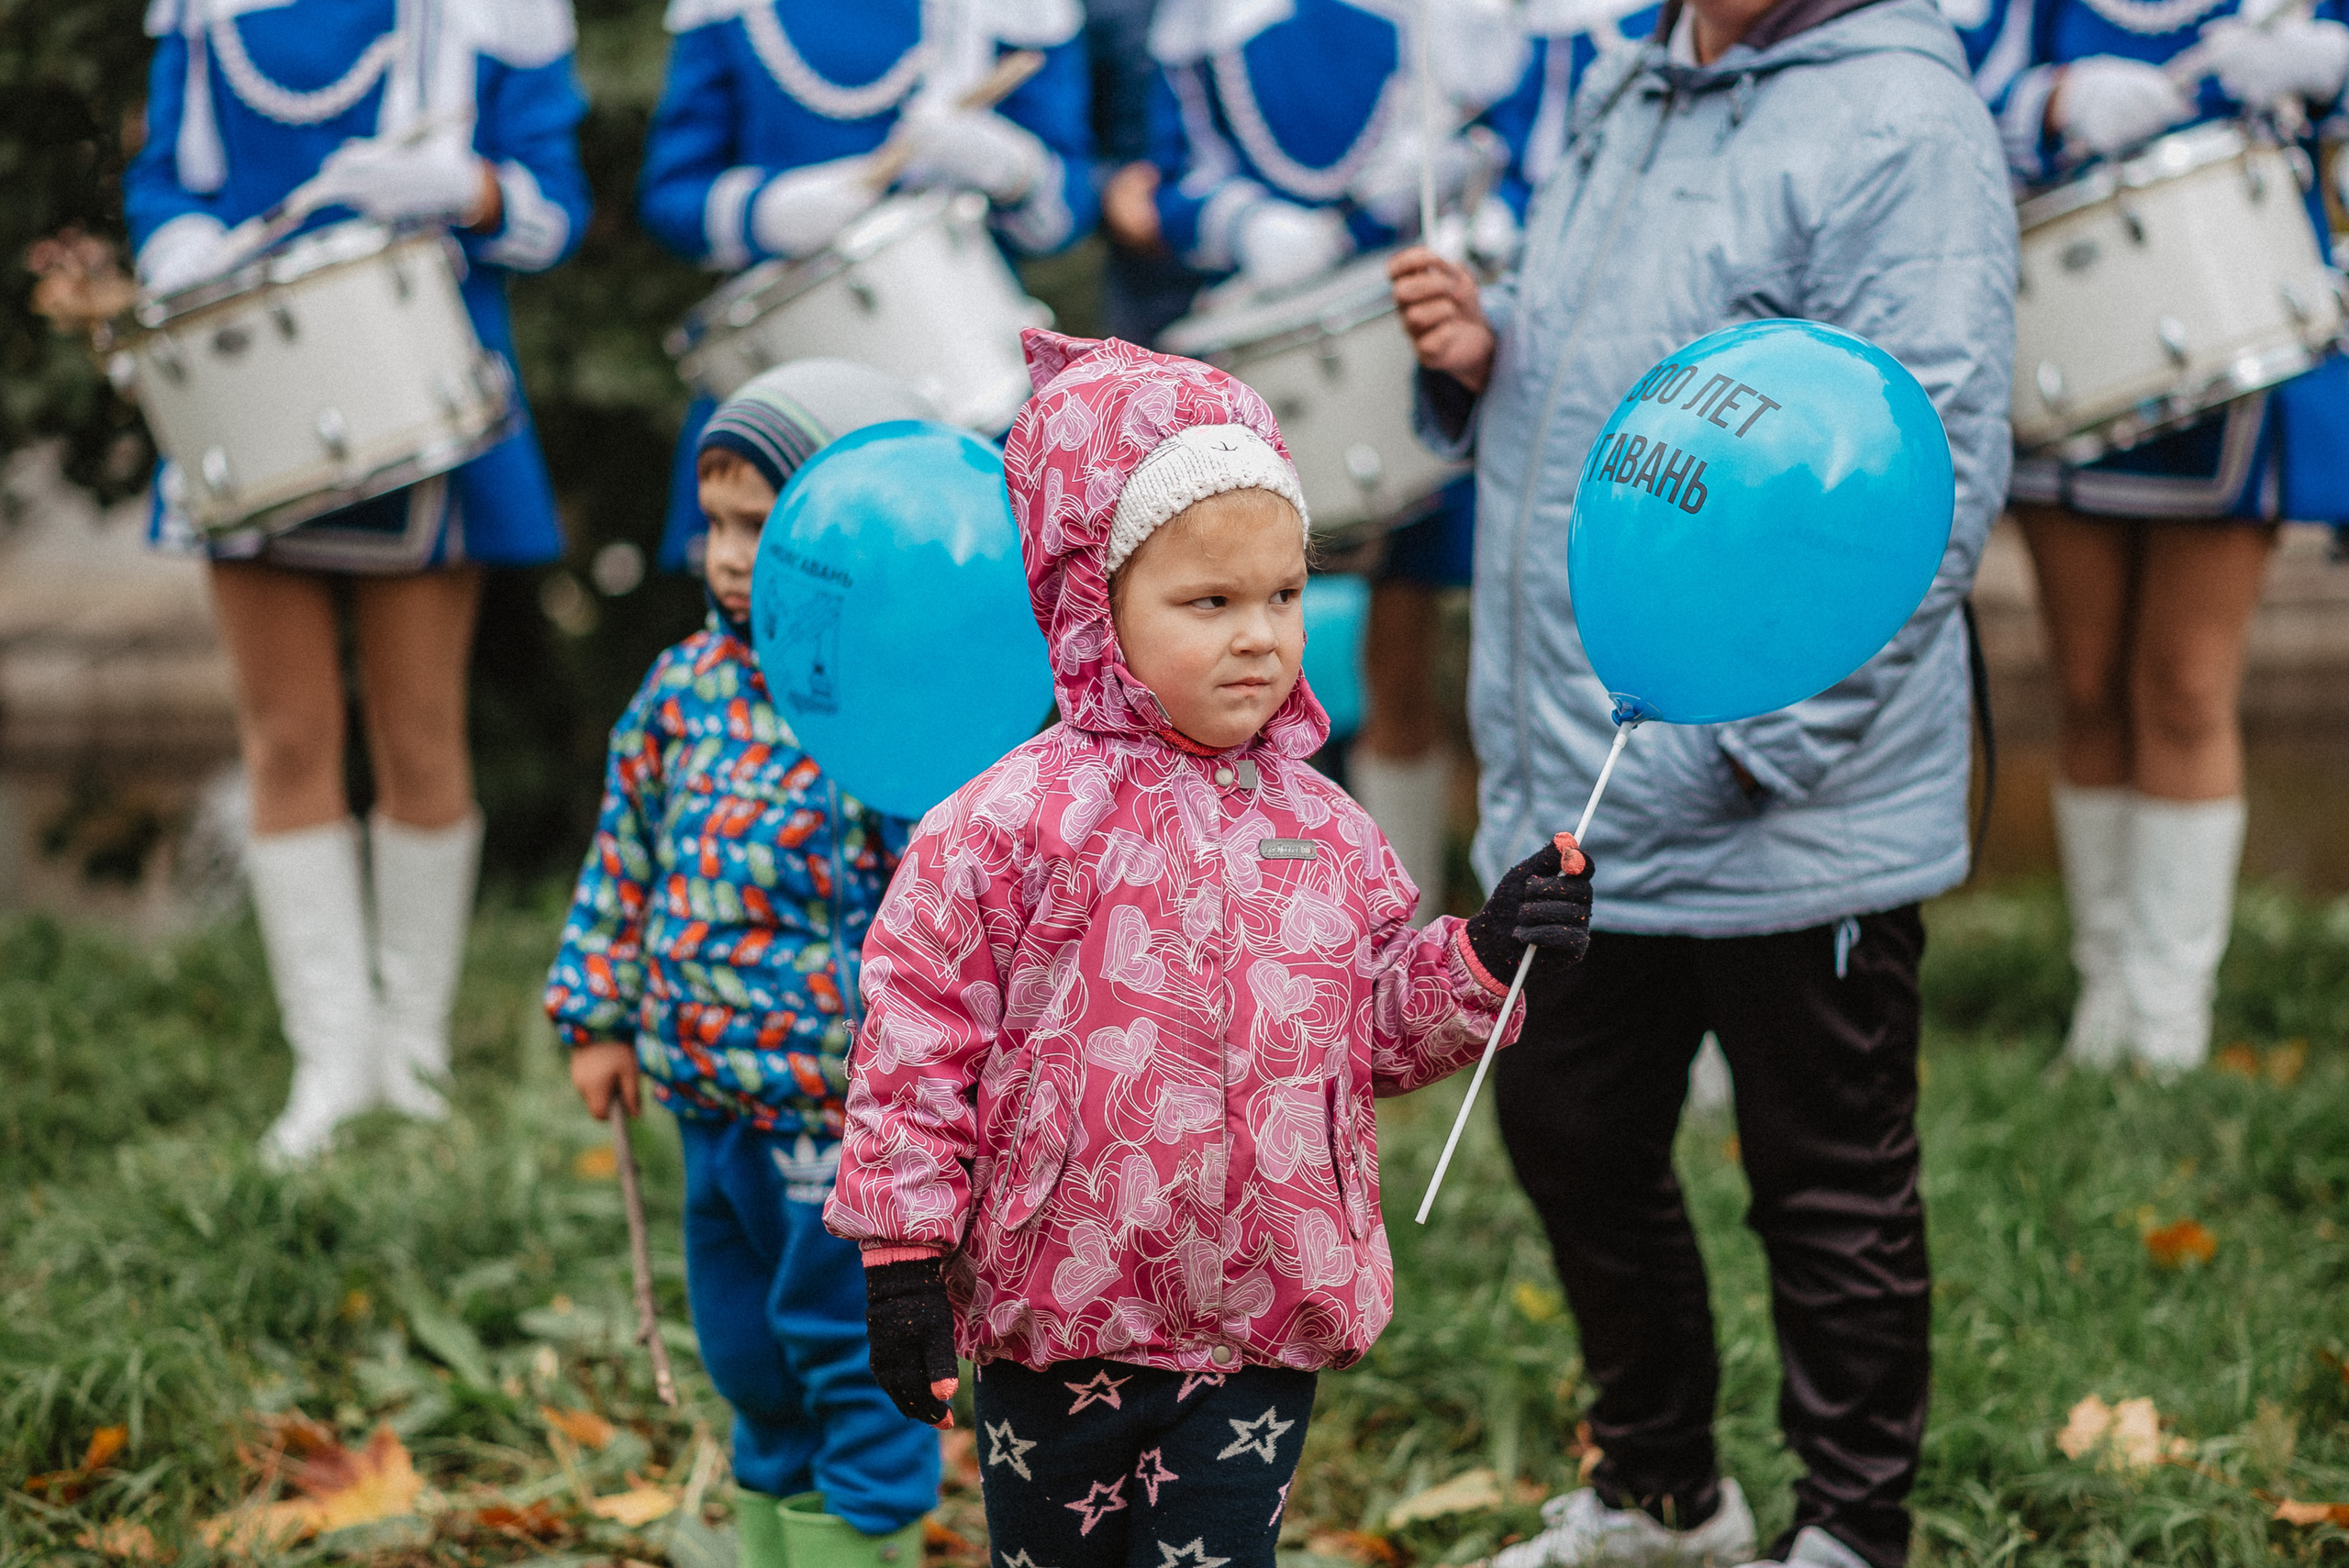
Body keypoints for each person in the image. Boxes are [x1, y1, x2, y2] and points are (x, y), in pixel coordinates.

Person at [1388, 0, 2016, 1556]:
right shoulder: (1627, 78)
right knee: (1562, 1120)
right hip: (1580, 774)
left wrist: (1748, 748)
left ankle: (1855, 1526)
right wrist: (1487, 355)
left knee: (1826, 1187)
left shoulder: (1904, 124)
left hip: (1789, 807)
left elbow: (1920, 480)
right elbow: (1626, 392)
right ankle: (1663, 1487)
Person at [819, 329, 1594, 1568]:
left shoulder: (1327, 829)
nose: (1259, 636)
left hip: (1256, 1326)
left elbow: (1374, 1030)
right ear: (1094, 598)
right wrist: (904, 1252)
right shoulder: (1005, 827)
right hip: (1055, 1319)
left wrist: (1486, 954)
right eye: (1210, 602)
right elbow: (916, 1039)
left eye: (1284, 596)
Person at [124, 0, 591, 1163]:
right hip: (242, 393)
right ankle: (329, 1064)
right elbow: (161, 182)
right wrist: (175, 244)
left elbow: (556, 212)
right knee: (284, 736)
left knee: (420, 731)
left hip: (418, 388)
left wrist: (466, 191)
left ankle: (414, 1056)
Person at [545, 361, 948, 1568]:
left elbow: (941, 909)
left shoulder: (878, 711)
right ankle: (774, 1527)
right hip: (703, 1100)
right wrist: (597, 1016)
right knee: (745, 1347)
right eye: (716, 522)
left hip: (837, 1116)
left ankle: (860, 1534)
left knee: (842, 1344)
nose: (729, 554)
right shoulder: (682, 693)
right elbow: (626, 856)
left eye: (764, 528)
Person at [1967, 0, 2349, 1073]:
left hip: (2238, 343)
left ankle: (2170, 1020)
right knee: (2085, 681)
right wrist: (2046, 101)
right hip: (2061, 340)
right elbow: (1930, 99)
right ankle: (2106, 999)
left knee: (2183, 681)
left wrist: (2327, 62)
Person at [1129, 0, 1531, 922]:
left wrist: (1473, 188)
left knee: (1437, 643)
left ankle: (1440, 929)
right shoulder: (1200, 24)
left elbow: (1517, 136)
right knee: (1249, 646)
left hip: (1420, 351)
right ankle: (1307, 923)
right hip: (1268, 361)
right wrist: (1237, 225)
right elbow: (1172, 176)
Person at [637, 0, 1098, 573]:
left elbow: (1068, 211)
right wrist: (768, 212)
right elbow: (670, 194)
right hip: (793, 380)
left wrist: (1008, 164)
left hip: (974, 383)